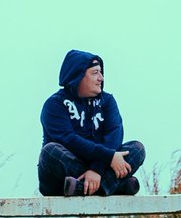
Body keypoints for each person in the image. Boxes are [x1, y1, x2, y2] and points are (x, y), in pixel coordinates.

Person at [38, 49, 145, 197]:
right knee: (50, 151)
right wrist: (108, 158)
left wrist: (96, 169)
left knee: (137, 148)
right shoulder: (54, 104)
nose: (101, 78)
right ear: (78, 75)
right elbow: (69, 140)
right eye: (95, 73)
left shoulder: (107, 101)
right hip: (61, 177)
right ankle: (113, 185)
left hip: (97, 169)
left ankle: (82, 188)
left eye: (101, 72)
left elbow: (114, 136)